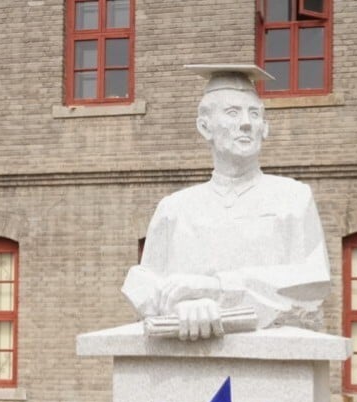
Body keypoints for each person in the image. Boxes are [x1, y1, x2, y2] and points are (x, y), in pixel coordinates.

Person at [122, 65, 331, 341]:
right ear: (204, 127)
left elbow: (313, 280)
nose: (246, 123)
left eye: (254, 114)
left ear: (265, 128)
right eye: (233, 112)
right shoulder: (175, 208)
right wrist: (179, 306)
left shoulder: (292, 198)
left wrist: (217, 288)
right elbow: (142, 281)